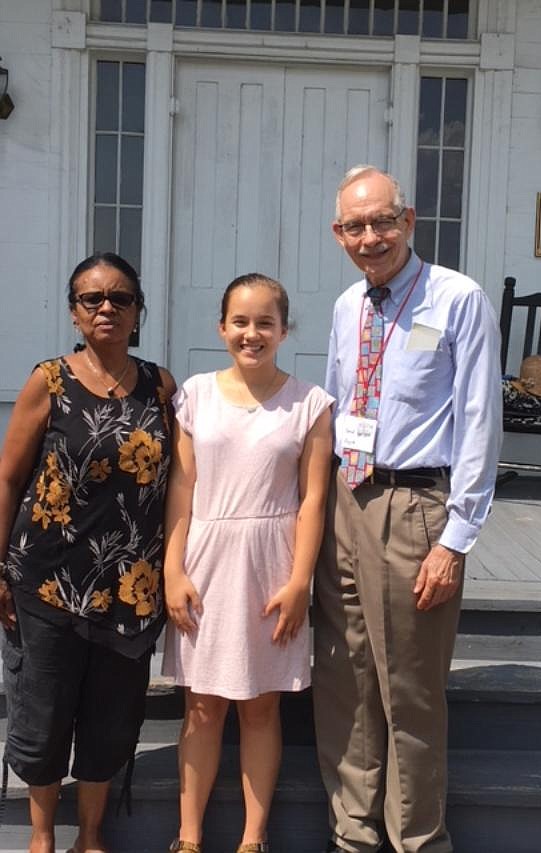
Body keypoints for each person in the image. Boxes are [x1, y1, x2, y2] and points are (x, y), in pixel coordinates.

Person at [312, 166, 502, 853]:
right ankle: (353, 835)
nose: (370, 237)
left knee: (410, 692)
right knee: (345, 678)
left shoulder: (457, 299)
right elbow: (337, 408)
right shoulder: (346, 307)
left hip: (416, 505)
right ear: (339, 234)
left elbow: (480, 420)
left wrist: (456, 539)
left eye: (382, 221)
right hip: (347, 498)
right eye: (355, 226)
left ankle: (419, 840)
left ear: (409, 220)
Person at [0, 252, 176, 853]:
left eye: (120, 298)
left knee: (110, 718)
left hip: (130, 586)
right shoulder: (47, 381)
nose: (106, 308)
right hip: (47, 581)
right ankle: (44, 836)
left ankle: (92, 836)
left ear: (137, 312)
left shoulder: (161, 386)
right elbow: (7, 479)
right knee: (43, 714)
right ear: (75, 312)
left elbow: (182, 480)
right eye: (92, 299)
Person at [161, 273, 334, 853]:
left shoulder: (310, 403)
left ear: (284, 330)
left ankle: (251, 840)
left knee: (261, 708)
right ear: (221, 327)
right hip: (205, 563)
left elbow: (313, 499)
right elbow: (181, 492)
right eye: (240, 321)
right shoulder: (194, 395)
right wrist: (172, 570)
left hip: (270, 568)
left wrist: (300, 582)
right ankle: (189, 837)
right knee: (202, 707)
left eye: (265, 322)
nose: (251, 333)